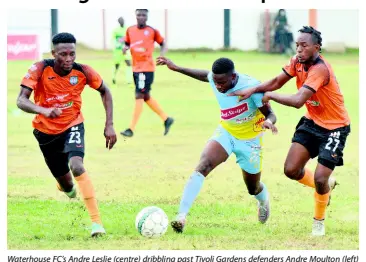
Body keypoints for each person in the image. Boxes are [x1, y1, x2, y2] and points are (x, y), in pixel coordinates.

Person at [229, 26, 349, 236]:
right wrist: (254, 90)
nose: (299, 50)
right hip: (312, 122)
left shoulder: (320, 69)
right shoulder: (297, 61)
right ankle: (326, 186)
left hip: (334, 127)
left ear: (317, 48)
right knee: (291, 170)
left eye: (304, 45)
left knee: (320, 179)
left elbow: (297, 101)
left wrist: (270, 96)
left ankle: (318, 222)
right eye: (297, 45)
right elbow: (277, 81)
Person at [157, 56, 278, 233]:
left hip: (250, 140)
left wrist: (269, 121)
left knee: (253, 187)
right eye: (215, 82)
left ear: (233, 76)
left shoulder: (251, 87)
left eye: (222, 82)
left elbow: (271, 114)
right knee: (203, 165)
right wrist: (176, 68)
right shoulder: (215, 80)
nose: (218, 86)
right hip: (227, 132)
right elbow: (204, 75)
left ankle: (263, 200)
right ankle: (181, 217)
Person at [16, 32, 117, 237]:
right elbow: (21, 100)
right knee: (68, 187)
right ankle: (65, 186)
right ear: (54, 53)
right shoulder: (39, 69)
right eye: (63, 54)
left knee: (77, 165)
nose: (69, 59)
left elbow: (105, 91)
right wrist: (43, 110)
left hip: (73, 125)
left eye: (72, 54)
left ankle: (97, 224)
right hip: (45, 132)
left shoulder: (83, 71)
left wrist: (110, 125)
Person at [120, 9, 174, 138]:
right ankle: (166, 119)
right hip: (135, 68)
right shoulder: (130, 30)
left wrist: (162, 55)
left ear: (147, 17)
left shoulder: (152, 31)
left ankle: (131, 129)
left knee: (139, 95)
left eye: (144, 15)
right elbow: (127, 43)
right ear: (136, 16)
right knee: (146, 96)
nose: (141, 17)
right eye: (139, 14)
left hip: (146, 68)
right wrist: (125, 48)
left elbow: (163, 43)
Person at [111, 17, 132, 85]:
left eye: (122, 20)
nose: (122, 22)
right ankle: (113, 78)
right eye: (120, 21)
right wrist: (118, 45)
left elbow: (130, 39)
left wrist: (128, 46)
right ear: (118, 22)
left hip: (126, 50)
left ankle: (129, 81)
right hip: (118, 51)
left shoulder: (127, 29)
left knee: (128, 63)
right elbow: (113, 40)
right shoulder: (116, 30)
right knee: (117, 65)